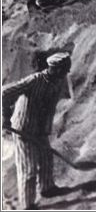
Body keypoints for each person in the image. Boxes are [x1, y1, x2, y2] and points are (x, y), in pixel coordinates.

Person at [2, 52, 72, 210]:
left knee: (47, 159)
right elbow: (4, 93)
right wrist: (5, 118)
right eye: (63, 70)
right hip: (24, 130)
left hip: (41, 128)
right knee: (28, 167)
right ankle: (28, 204)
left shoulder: (58, 81)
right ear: (54, 68)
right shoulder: (34, 81)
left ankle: (47, 189)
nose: (66, 74)